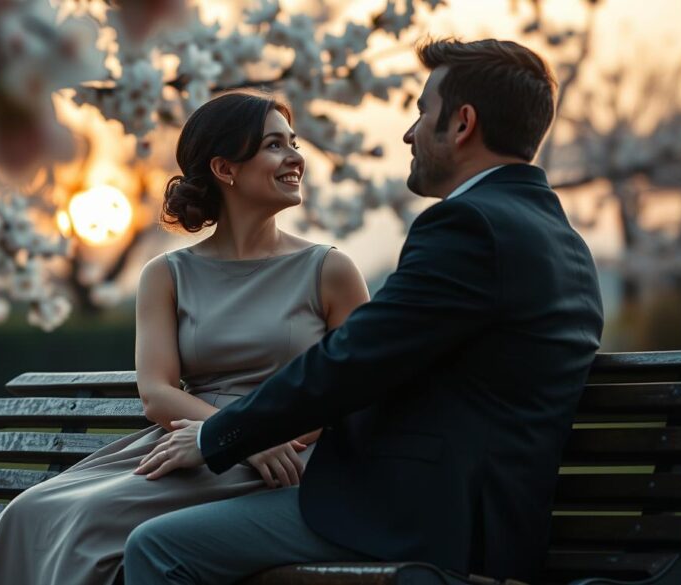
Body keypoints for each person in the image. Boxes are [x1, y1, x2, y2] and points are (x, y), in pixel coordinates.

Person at [127, 38, 605, 585]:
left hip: (415, 515)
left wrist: (219, 436)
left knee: (160, 549)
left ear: (463, 123)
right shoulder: (562, 240)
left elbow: (351, 360)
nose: (408, 132)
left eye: (423, 112)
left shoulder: (469, 227)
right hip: (488, 514)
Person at [0, 89, 370, 585]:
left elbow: (357, 390)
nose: (296, 158)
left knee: (88, 521)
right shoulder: (167, 274)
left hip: (285, 456)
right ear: (225, 168)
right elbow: (156, 393)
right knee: (30, 510)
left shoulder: (329, 269)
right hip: (189, 442)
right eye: (274, 146)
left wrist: (253, 435)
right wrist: (232, 434)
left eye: (293, 143)